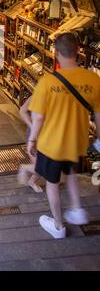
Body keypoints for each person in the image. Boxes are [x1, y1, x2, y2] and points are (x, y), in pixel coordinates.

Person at [28, 32, 100, 239]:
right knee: (71, 174)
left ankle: (58, 226)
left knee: (52, 183)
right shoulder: (93, 79)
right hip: (76, 142)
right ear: (78, 51)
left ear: (56, 52)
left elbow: (38, 118)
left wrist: (32, 140)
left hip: (51, 144)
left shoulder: (47, 82)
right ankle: (77, 208)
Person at [18, 96, 43, 193]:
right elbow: (22, 111)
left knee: (46, 165)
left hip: (50, 136)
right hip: (36, 135)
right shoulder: (37, 95)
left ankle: (32, 181)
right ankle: (25, 168)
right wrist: (32, 127)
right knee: (41, 166)